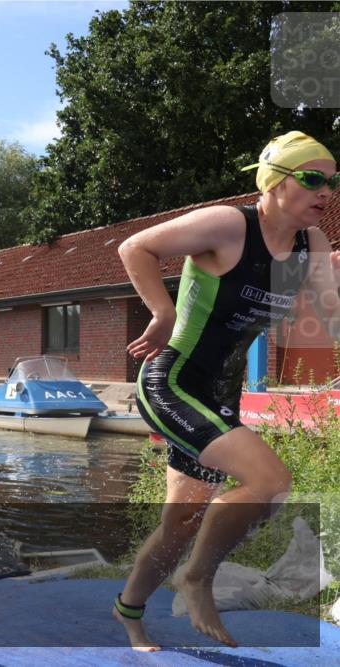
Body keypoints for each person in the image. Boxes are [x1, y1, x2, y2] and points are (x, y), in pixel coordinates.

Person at [115, 131, 339, 650]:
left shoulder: (312, 244)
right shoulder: (230, 224)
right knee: (271, 480)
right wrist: (162, 313)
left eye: (331, 182)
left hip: (219, 395)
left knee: (180, 525)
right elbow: (136, 247)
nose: (325, 191)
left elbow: (331, 310)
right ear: (277, 180)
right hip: (173, 382)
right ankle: (198, 578)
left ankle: (129, 611)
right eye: (312, 179)